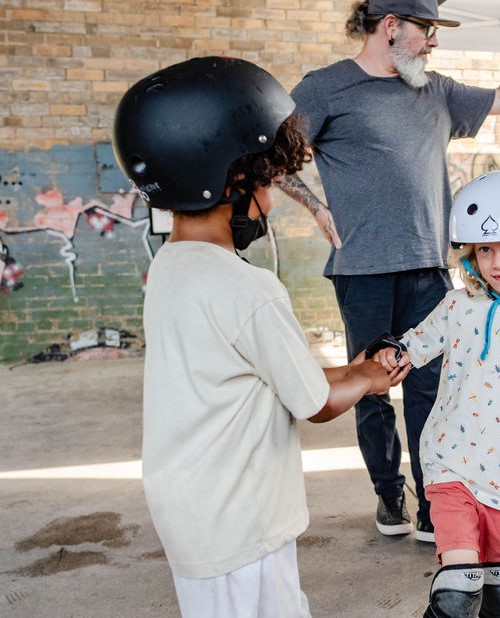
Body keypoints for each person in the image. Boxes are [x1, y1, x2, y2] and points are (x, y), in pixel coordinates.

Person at [278, 0, 500, 544]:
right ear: (391, 27)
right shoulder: (326, 88)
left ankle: (431, 503)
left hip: (428, 266)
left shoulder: (436, 91)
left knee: (430, 389)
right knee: (371, 387)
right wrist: (315, 205)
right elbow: (278, 154)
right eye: (428, 30)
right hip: (363, 269)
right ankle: (388, 493)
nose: (434, 42)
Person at [112, 57, 403, 617]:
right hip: (240, 519)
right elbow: (313, 403)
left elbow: (259, 376)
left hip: (192, 513)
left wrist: (351, 368)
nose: (269, 203)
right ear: (232, 178)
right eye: (266, 183)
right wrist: (368, 378)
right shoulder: (249, 286)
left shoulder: (170, 269)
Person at [370, 171, 500, 617]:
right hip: (451, 464)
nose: (498, 262)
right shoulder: (457, 305)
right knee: (459, 591)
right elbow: (414, 346)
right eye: (485, 249)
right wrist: (391, 353)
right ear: (471, 255)